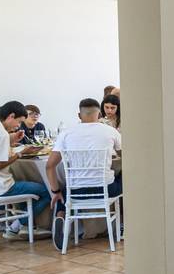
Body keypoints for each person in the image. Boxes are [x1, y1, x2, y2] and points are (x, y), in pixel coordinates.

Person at [47, 98, 123, 250]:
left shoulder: (66, 133)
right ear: (99, 113)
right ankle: (122, 225)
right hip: (105, 189)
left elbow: (50, 166)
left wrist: (55, 192)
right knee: (123, 176)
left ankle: (60, 216)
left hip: (76, 191)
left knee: (63, 191)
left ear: (79, 115)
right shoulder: (110, 131)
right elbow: (126, 156)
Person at [0, 101, 49, 238]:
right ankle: (18, 226)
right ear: (11, 116)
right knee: (46, 191)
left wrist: (10, 138)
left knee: (23, 183)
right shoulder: (1, 134)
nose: (18, 126)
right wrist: (20, 153)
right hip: (0, 188)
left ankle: (3, 222)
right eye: (19, 122)